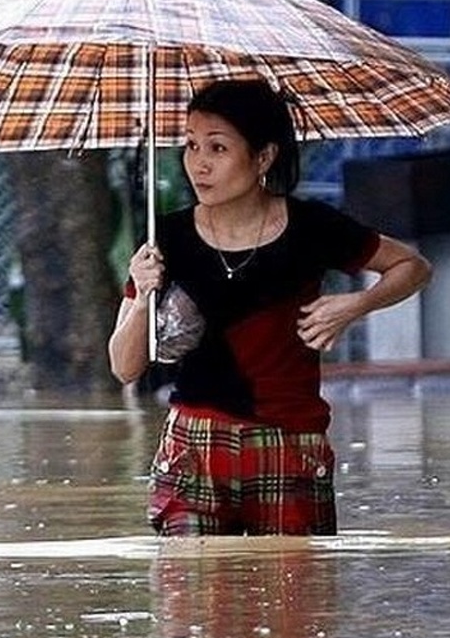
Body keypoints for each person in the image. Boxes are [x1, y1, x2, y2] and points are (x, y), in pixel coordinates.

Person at [108, 79, 431, 537]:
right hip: (194, 446)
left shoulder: (312, 227)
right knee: (188, 584)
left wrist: (355, 304)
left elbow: (412, 267)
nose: (199, 163)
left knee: (292, 583)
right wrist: (143, 296)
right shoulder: (166, 241)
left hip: (290, 442)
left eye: (218, 148)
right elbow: (123, 367)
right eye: (191, 145)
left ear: (263, 157)